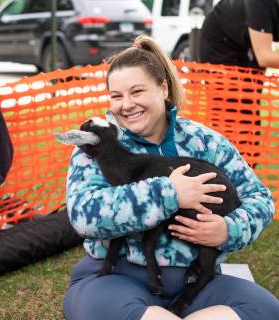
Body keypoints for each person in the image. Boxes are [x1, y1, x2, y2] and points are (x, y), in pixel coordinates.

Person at [63, 35, 279, 320]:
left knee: (266, 310)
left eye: (137, 91)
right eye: (116, 96)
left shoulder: (205, 142)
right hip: (117, 278)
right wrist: (169, 193)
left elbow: (261, 200)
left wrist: (228, 229)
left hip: (196, 285)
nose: (126, 105)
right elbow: (84, 215)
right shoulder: (98, 145)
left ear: (163, 88)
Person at [199, 0, 279, 69]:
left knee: (252, 83)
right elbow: (265, 57)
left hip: (248, 40)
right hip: (221, 40)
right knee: (231, 85)